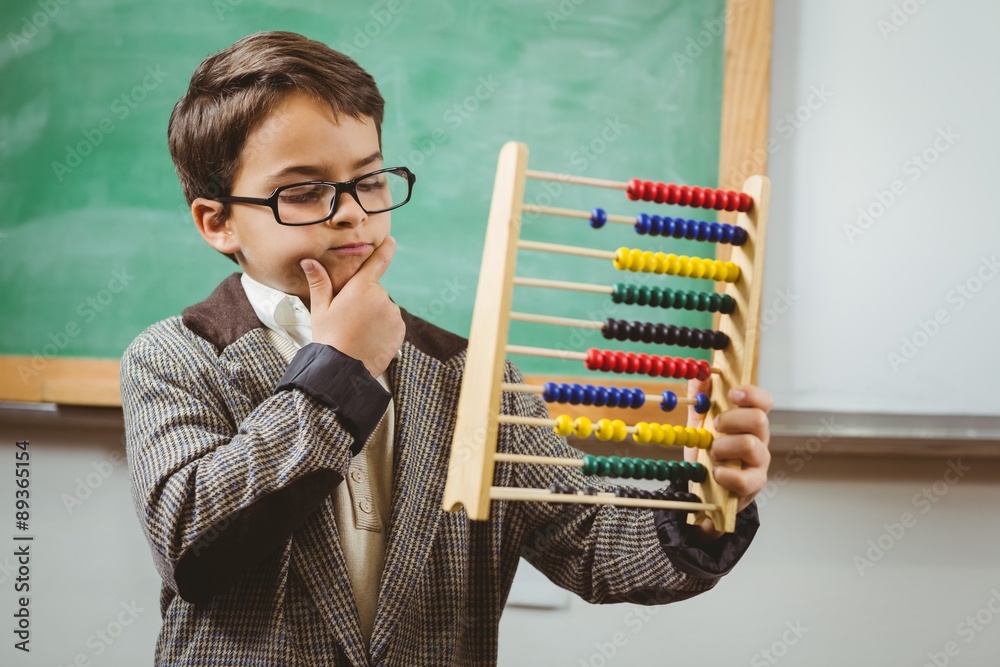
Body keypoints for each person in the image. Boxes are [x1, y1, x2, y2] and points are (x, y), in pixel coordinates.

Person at [120, 30, 773, 667]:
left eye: (369, 180)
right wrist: (340, 372)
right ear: (218, 221)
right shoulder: (176, 357)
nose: (351, 212)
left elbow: (591, 543)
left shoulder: (467, 376)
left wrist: (706, 501)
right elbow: (191, 544)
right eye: (303, 190)